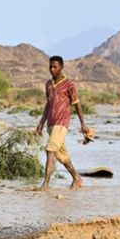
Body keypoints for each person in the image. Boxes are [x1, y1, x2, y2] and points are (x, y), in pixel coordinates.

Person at [34, 56, 90, 191]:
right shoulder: (48, 84)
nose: (52, 69)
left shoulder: (69, 84)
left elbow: (77, 104)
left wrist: (83, 124)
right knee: (61, 155)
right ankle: (77, 178)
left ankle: (46, 184)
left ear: (61, 67)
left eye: (55, 67)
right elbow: (48, 105)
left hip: (62, 122)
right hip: (51, 123)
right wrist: (41, 123)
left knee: (50, 149)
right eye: (50, 67)